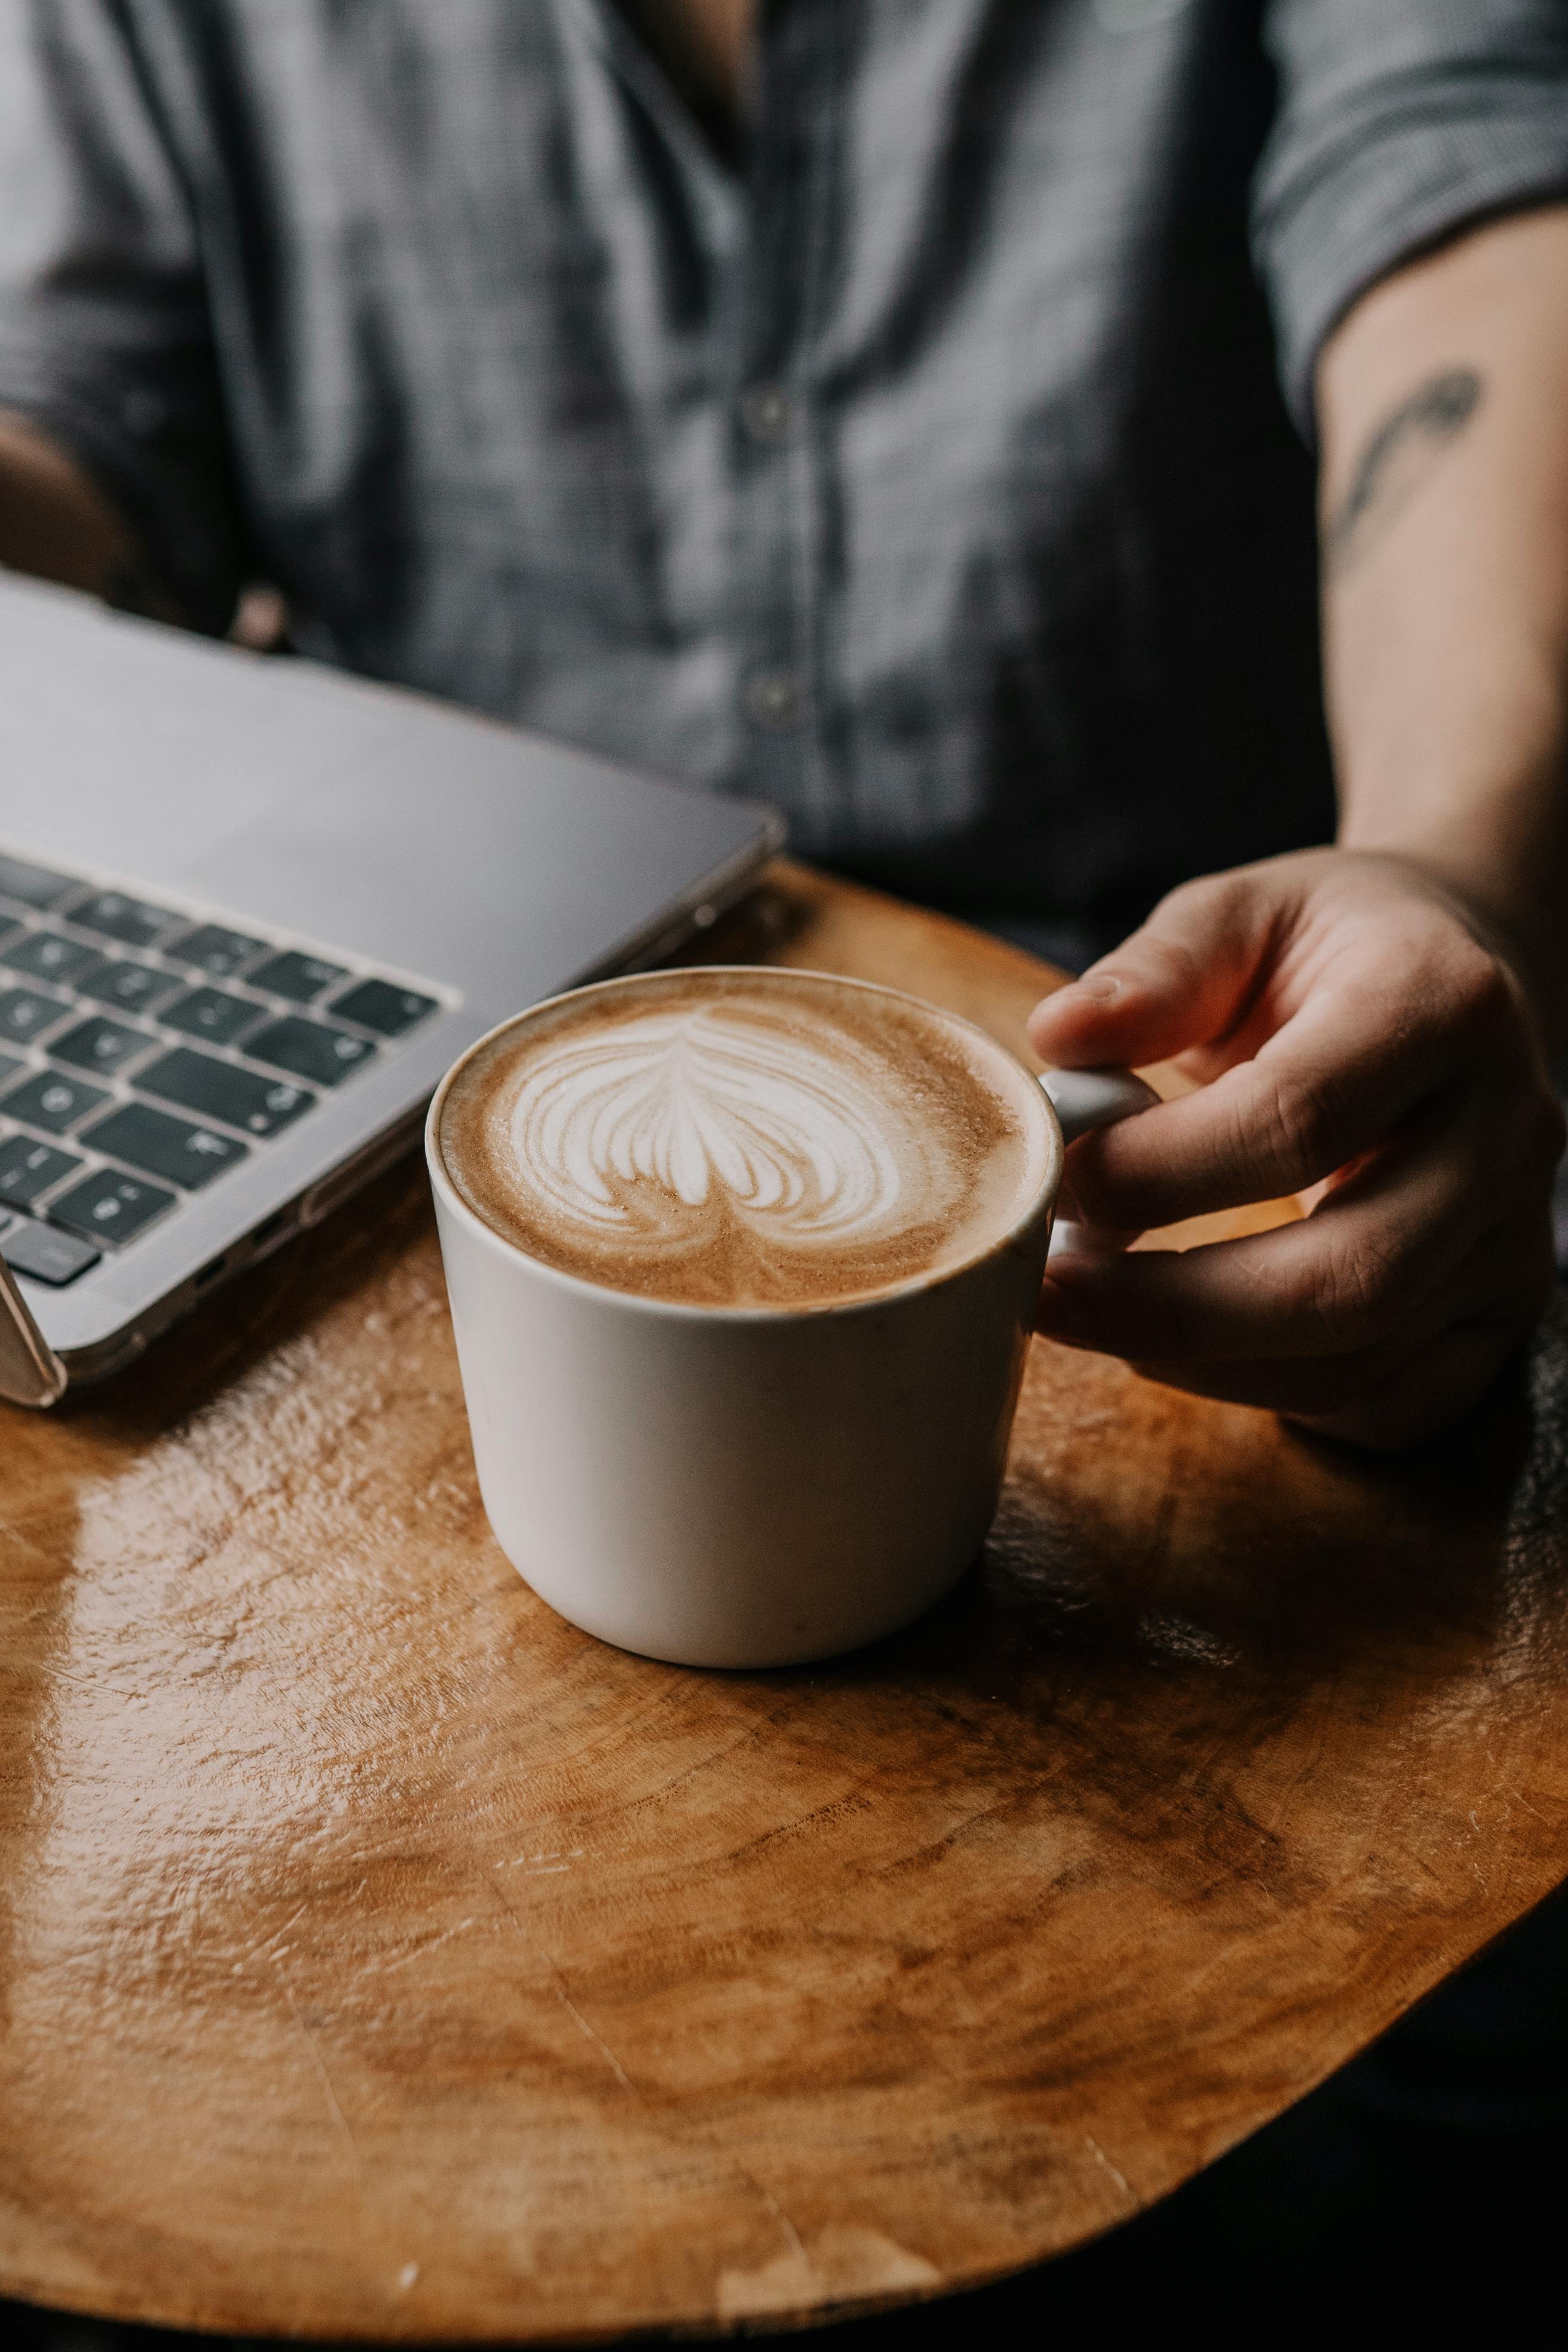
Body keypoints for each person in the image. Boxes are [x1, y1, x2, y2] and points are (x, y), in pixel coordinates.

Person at [1, 0, 1566, 1451]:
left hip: (1211, 1100)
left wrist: (1451, 861)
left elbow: (1467, 230)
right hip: (384, 1116)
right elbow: (95, 439)